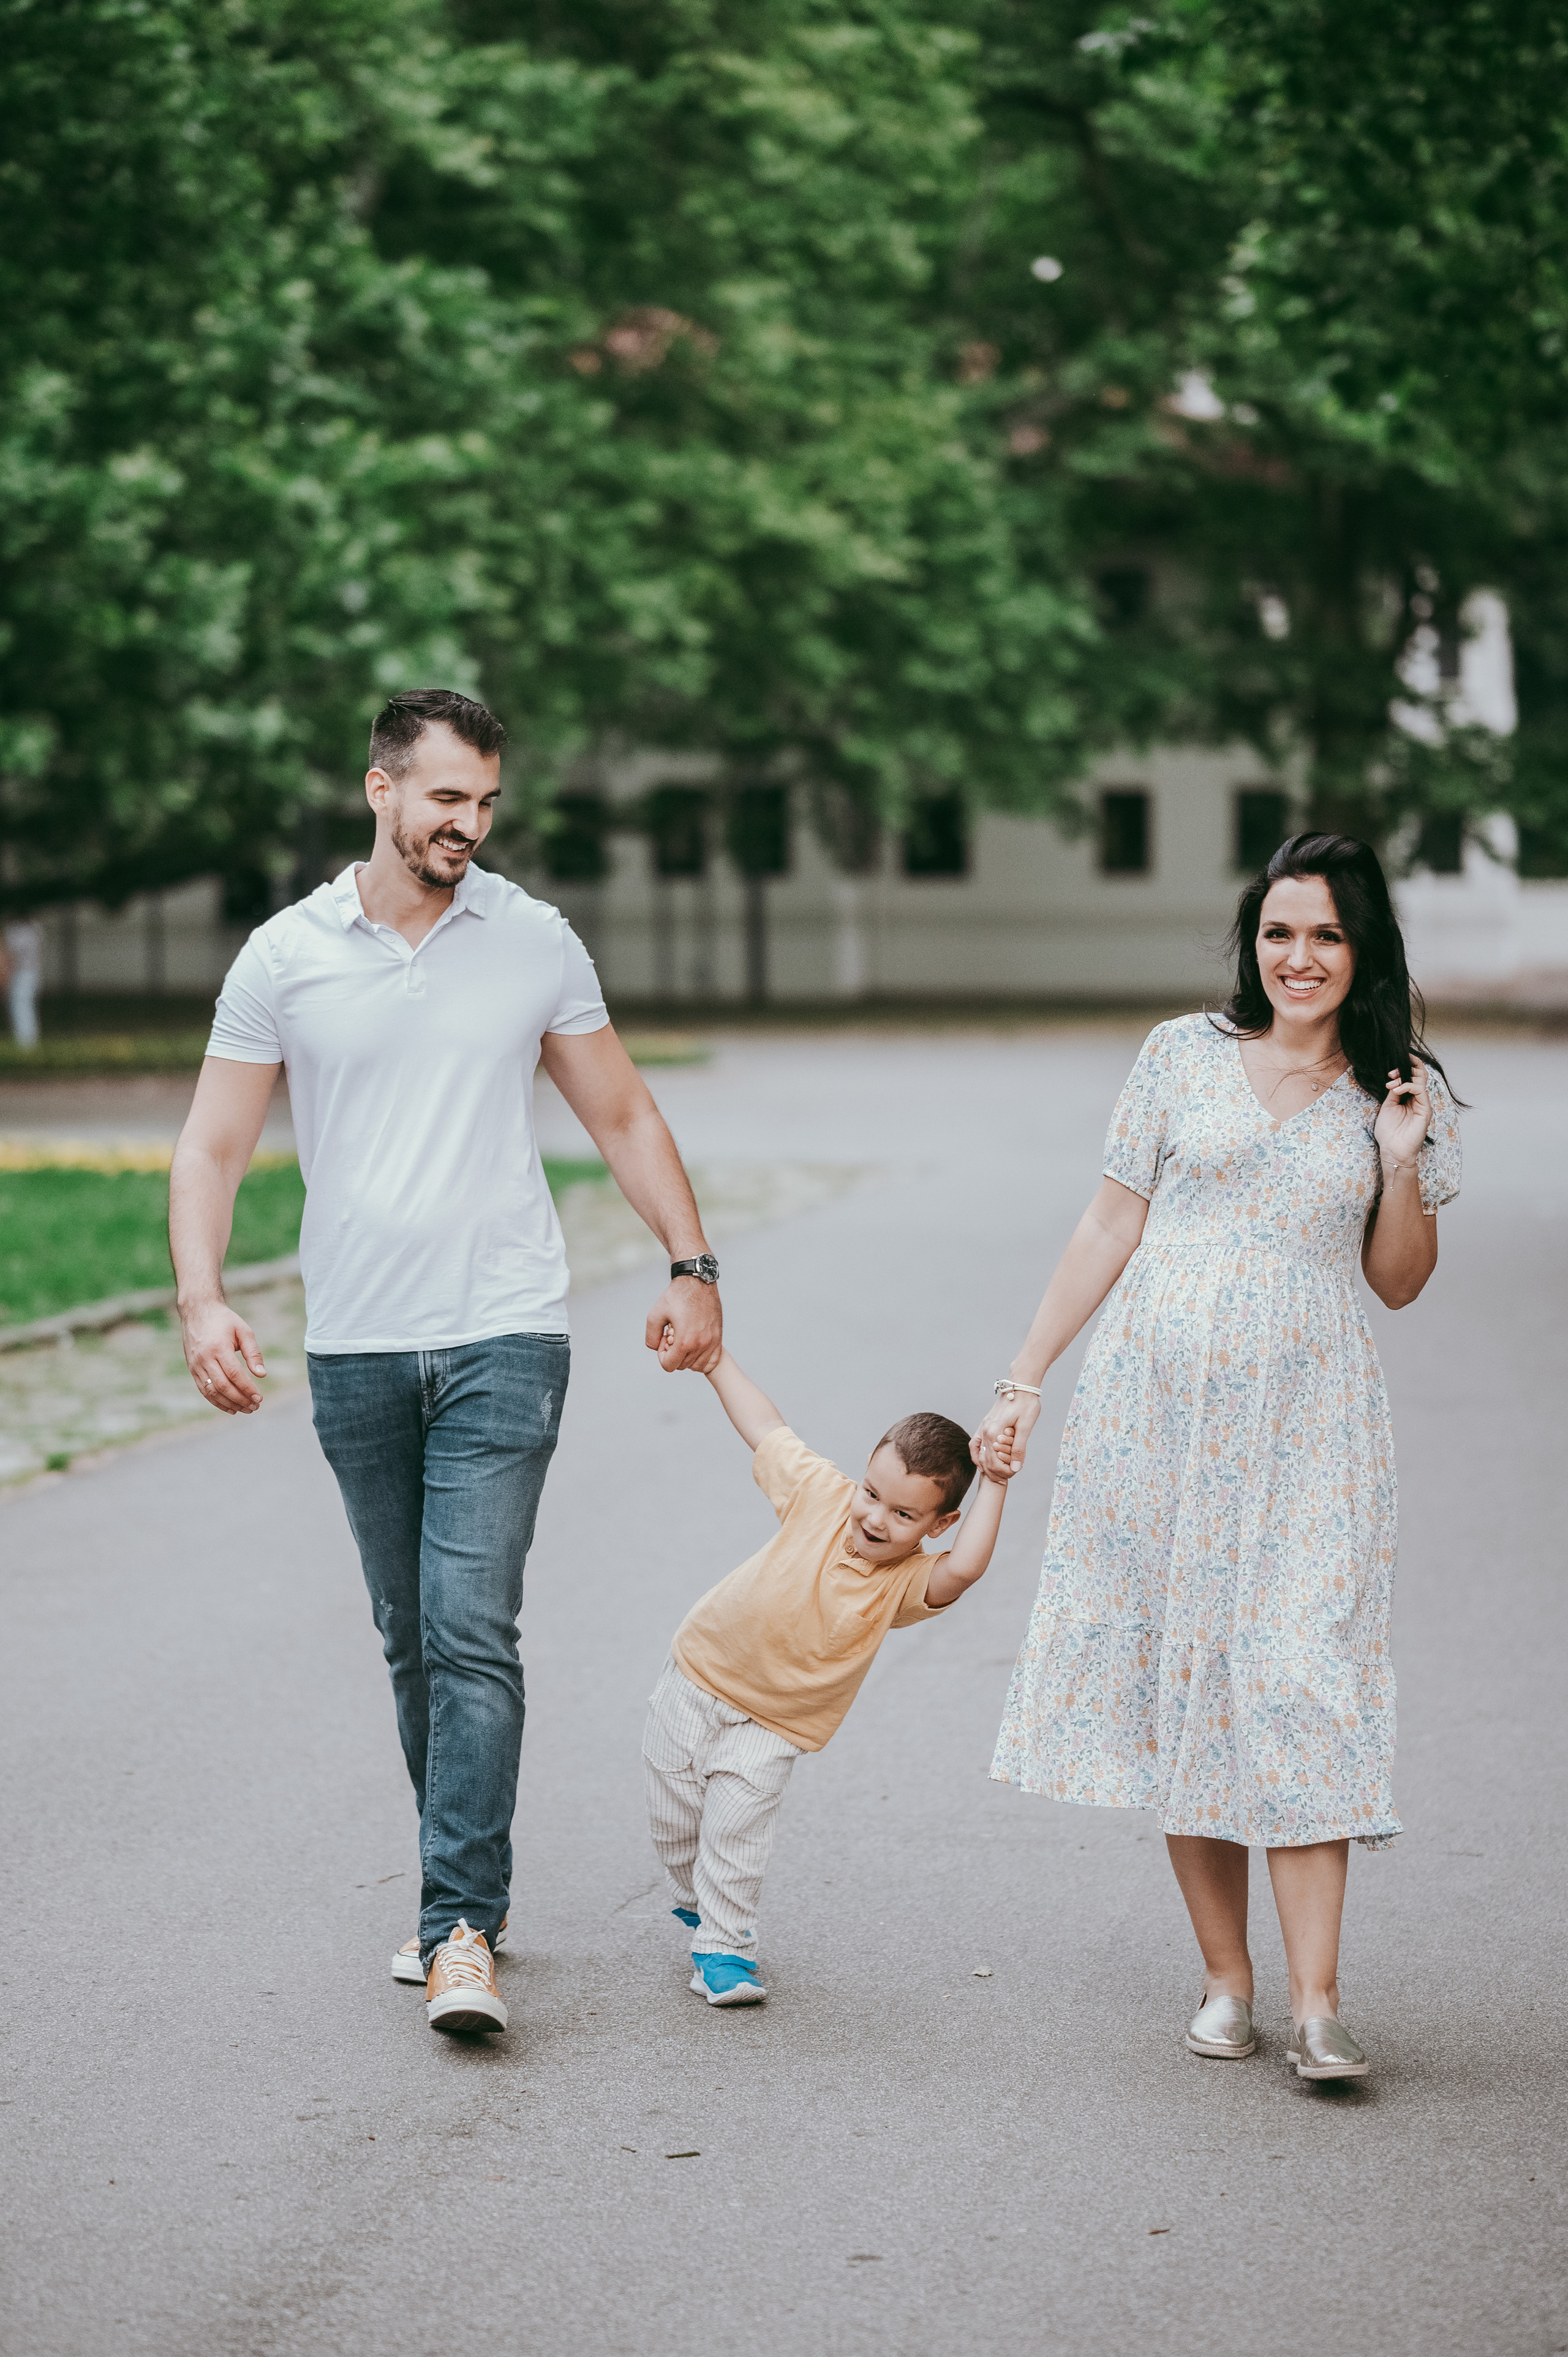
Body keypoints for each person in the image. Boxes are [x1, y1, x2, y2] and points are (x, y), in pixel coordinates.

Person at [168, 688, 724, 2038]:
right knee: (411, 1640)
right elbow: (214, 1145)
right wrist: (202, 1297)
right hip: (356, 1343)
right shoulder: (284, 955)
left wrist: (691, 1263)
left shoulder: (531, 940)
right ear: (380, 789)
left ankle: (456, 1924)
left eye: (484, 802)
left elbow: (622, 1110)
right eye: (444, 801)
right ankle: (466, 1883)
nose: (467, 826)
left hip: (505, 1331)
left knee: (471, 1631)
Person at [973, 833, 1462, 2084]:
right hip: (1154, 1412)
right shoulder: (1178, 1056)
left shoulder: (1395, 1093)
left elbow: (1398, 1283)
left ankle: (1315, 2006)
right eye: (1278, 932)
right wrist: (1023, 1378)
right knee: (1189, 1676)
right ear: (1253, 938)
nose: (1297, 958)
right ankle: (1225, 1983)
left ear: (1363, 953)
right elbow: (1107, 1222)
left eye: (1326, 936)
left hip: (1309, 1423)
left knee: (1300, 1677)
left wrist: (1397, 1166)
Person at [644, 1342, 1008, 2005]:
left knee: (735, 1830)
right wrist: (715, 1359)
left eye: (903, 1514)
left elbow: (967, 1567)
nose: (874, 1517)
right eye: (872, 1494)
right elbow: (765, 1427)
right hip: (695, 1675)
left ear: (939, 1522)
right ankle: (699, 1902)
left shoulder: (904, 1581)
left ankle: (724, 1949)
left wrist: (999, 1483)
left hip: (776, 1723)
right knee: (674, 1821)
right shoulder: (820, 1494)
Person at [2, 917, 42, 1049]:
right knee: (22, 1004)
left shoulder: (17, 932)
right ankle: (27, 1039)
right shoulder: (34, 929)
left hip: (23, 972)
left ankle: (27, 1041)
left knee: (21, 1004)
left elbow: (12, 955)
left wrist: (7, 974)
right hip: (30, 972)